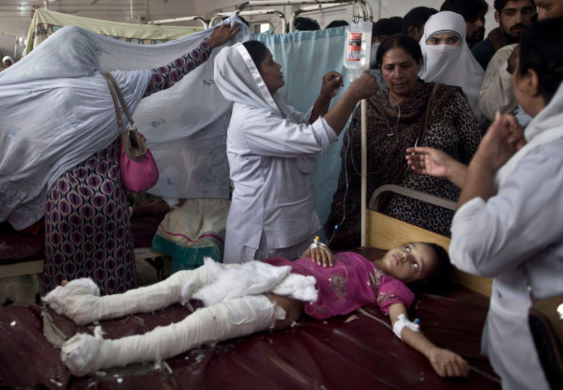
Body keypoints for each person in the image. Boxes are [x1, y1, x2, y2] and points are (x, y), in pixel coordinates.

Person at [0, 22, 242, 295]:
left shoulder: (48, 97)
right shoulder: (115, 85)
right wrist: (208, 45)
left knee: (69, 287)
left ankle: (69, 338)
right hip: (108, 201)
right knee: (113, 283)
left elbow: (8, 152)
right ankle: (115, 339)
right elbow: (170, 73)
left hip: (64, 203)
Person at [43, 241, 468, 378]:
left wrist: (432, 352)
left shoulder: (390, 287)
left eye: (416, 265)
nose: (404, 257)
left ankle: (107, 354)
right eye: (408, 248)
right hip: (264, 271)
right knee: (181, 282)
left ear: (416, 283)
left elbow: (400, 324)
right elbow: (315, 259)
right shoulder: (359, 253)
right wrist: (316, 247)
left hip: (288, 300)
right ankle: (92, 307)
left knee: (204, 323)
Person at [411, 16, 563, 390]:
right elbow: (525, 208)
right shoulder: (545, 153)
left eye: (513, 68)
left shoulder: (550, 158)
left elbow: (473, 251)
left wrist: (480, 163)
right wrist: (455, 169)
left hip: (543, 344)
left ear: (529, 80)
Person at [216, 41, 379, 263]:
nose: (279, 66)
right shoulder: (250, 119)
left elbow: (305, 127)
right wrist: (353, 94)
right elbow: (314, 139)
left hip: (291, 221)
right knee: (265, 292)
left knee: (300, 285)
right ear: (252, 74)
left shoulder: (271, 104)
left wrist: (325, 96)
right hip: (264, 232)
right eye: (271, 62)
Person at [324, 35, 481, 250]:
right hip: (381, 222)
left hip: (439, 219)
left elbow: (475, 157)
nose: (397, 75)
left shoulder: (448, 99)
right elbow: (351, 166)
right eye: (389, 68)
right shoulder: (368, 107)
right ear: (381, 69)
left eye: (405, 66)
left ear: (419, 63)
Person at [478, 0, 563, 124]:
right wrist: (511, 68)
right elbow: (491, 110)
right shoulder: (506, 54)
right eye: (511, 13)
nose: (519, 19)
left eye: (546, 7)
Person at [419, 11, 486, 124]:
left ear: (463, 43)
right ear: (425, 44)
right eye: (435, 41)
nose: (444, 48)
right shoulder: (410, 81)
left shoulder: (480, 81)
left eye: (452, 40)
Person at [471, 0, 535, 70]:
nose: (519, 20)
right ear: (497, 16)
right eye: (510, 13)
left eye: (527, 12)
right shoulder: (481, 54)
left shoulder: (550, 45)